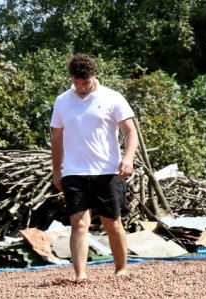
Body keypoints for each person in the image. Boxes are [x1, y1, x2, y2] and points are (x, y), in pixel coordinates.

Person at [50, 53, 139, 281]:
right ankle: (80, 275)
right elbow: (57, 138)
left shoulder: (112, 97)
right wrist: (57, 171)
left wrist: (128, 158)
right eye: (76, 82)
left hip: (107, 171)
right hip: (74, 172)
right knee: (78, 223)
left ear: (93, 76)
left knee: (112, 222)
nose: (81, 87)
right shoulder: (62, 101)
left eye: (85, 83)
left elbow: (130, 131)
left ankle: (121, 269)